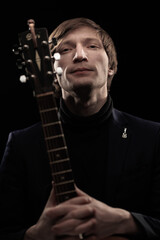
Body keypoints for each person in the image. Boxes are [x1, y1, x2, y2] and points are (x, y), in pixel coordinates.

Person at [0, 17, 160, 240]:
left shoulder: (152, 137)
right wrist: (34, 235)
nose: (79, 55)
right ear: (51, 68)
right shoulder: (21, 145)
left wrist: (126, 221)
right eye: (65, 49)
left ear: (111, 67)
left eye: (92, 46)